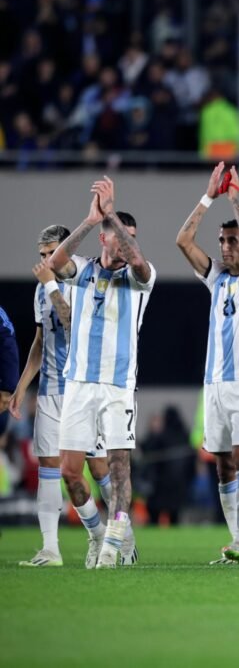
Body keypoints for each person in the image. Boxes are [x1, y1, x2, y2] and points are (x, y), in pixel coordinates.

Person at [47, 176, 156, 568]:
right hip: (78, 384)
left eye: (134, 237)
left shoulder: (139, 279)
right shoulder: (83, 270)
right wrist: (92, 220)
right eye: (122, 236)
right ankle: (97, 536)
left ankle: (117, 545)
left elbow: (140, 262)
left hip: (117, 387)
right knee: (71, 473)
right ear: (105, 239)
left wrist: (112, 215)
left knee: (119, 468)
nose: (129, 244)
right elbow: (54, 264)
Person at [176, 162, 239, 565]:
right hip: (214, 385)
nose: (226, 247)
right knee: (224, 465)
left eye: (232, 241)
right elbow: (183, 240)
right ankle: (235, 543)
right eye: (222, 241)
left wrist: (235, 201)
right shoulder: (216, 279)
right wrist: (208, 197)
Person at [11, 225, 110, 567]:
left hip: (85, 389)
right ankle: (52, 548)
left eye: (51, 253)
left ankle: (118, 536)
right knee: (50, 467)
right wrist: (22, 386)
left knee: (97, 468)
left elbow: (72, 325)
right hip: (51, 390)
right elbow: (41, 342)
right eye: (41, 255)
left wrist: (51, 286)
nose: (45, 261)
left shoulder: (84, 281)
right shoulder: (41, 291)